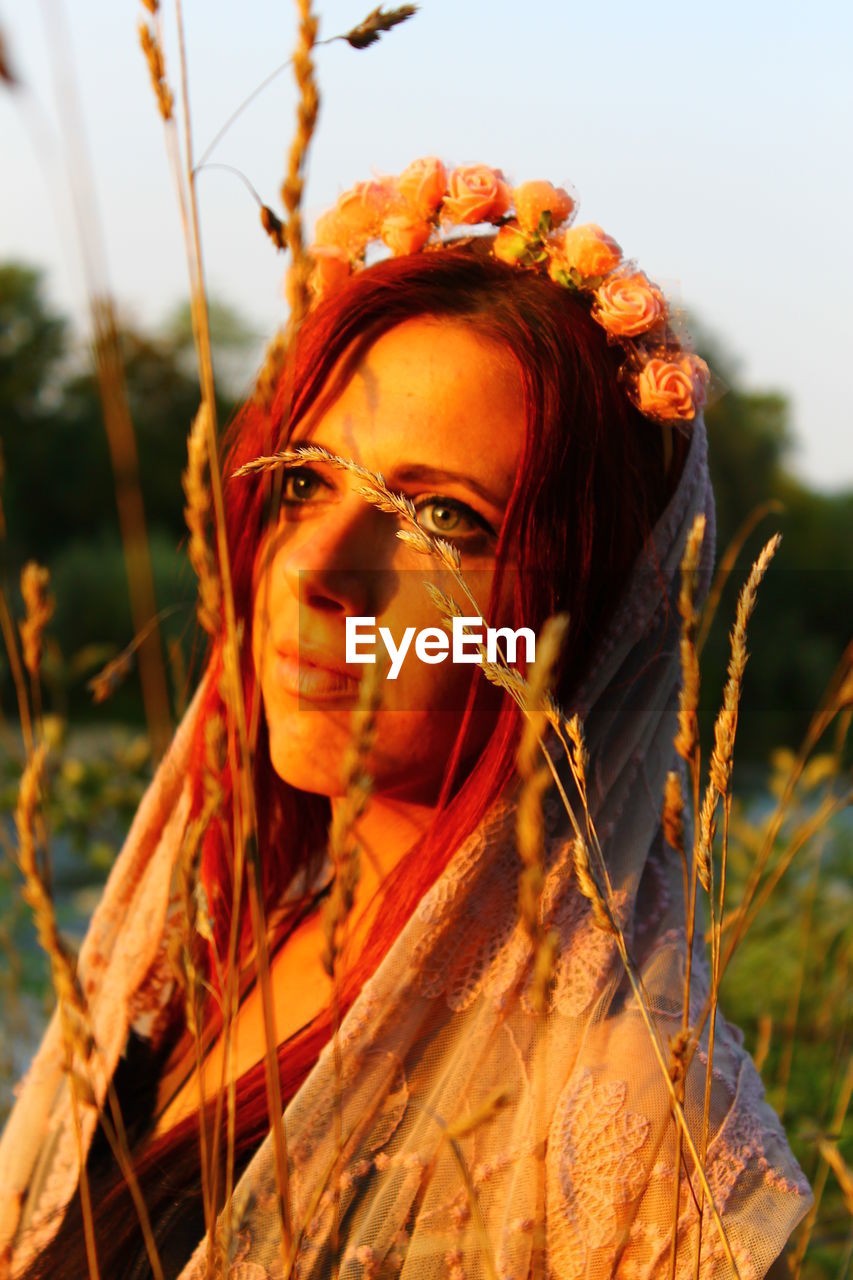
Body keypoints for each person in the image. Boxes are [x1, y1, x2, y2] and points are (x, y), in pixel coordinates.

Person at [0, 159, 811, 1279]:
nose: (321, 570)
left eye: (441, 516)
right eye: (304, 483)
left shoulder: (638, 1126)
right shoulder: (228, 943)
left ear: (591, 612)